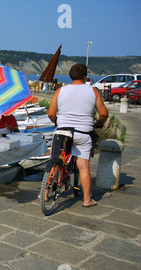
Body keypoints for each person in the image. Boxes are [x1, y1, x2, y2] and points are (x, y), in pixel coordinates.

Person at [47, 63, 108, 208]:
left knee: (56, 160)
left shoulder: (60, 90)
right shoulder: (93, 91)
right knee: (83, 167)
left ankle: (44, 194)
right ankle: (87, 200)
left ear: (70, 76)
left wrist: (58, 123)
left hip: (63, 131)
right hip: (83, 133)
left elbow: (51, 113)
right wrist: (99, 122)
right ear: (85, 76)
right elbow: (104, 114)